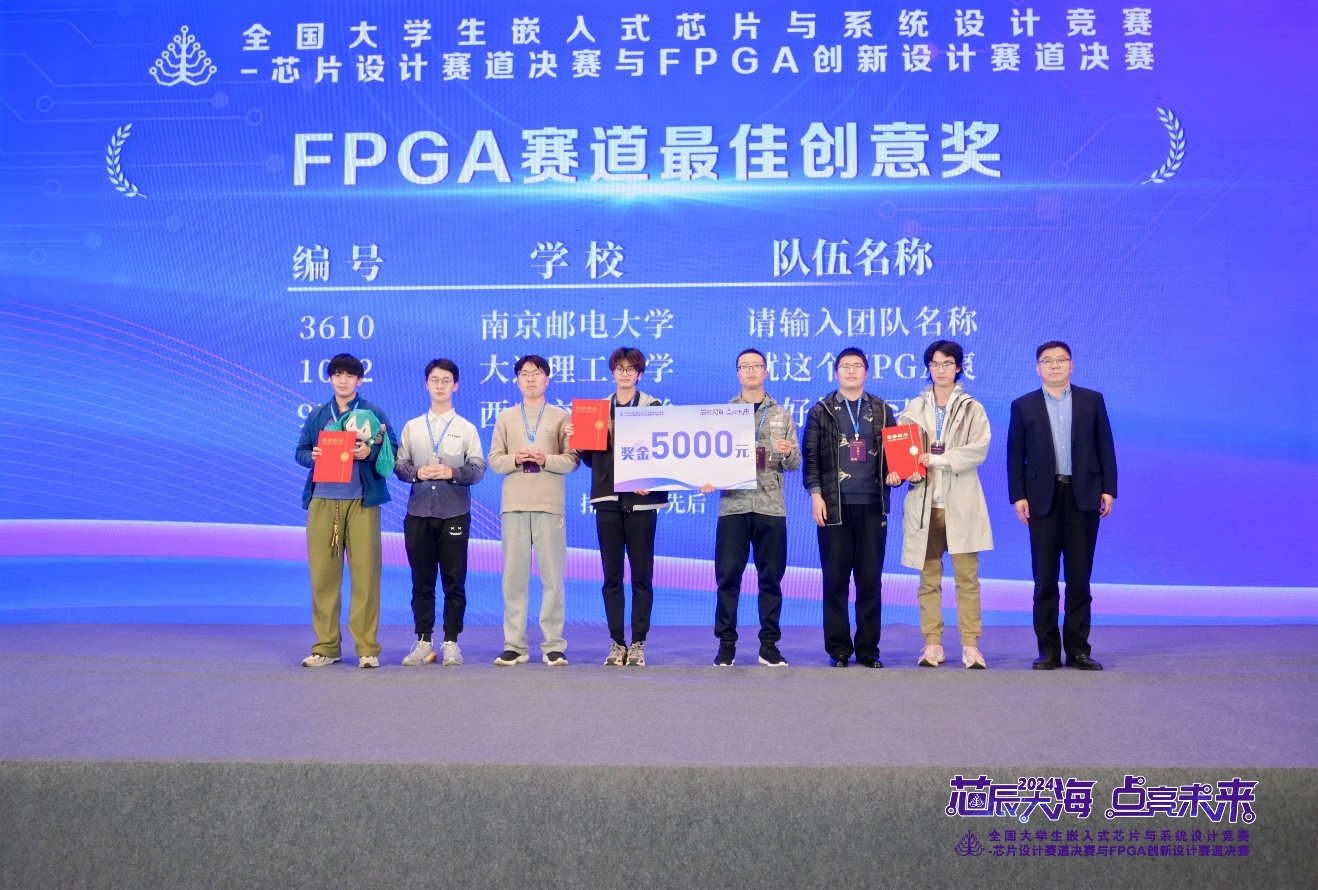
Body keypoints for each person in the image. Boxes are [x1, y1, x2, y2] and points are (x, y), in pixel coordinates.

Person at [1007, 341, 1117, 671]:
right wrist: (1018, 495)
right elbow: (1015, 454)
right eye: (1047, 361)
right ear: (1037, 368)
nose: (1054, 365)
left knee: (1079, 579)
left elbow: (1105, 446)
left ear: (1072, 365)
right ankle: (1048, 651)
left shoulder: (1092, 400)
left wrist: (1109, 489)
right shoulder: (1023, 405)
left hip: (1083, 495)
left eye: (1061, 360)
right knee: (1044, 579)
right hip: (1042, 498)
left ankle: (1079, 649)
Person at [294, 353, 396, 669]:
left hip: (362, 502)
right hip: (323, 500)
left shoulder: (373, 413)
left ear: (359, 380)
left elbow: (391, 448)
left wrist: (370, 451)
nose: (343, 380)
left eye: (349, 375)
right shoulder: (318, 415)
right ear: (330, 379)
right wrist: (312, 456)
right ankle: (326, 647)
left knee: (366, 575)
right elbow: (300, 452)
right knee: (323, 576)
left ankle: (367, 648)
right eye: (337, 374)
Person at [802, 348, 899, 668]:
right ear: (836, 373)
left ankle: (869, 649)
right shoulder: (821, 411)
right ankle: (839, 649)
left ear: (867, 372)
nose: (851, 371)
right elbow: (811, 458)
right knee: (835, 581)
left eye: (857, 366)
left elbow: (895, 457)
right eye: (845, 366)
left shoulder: (882, 409)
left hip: (872, 506)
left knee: (870, 581)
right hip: (834, 507)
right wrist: (816, 495)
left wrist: (896, 475)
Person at [898, 340, 993, 669]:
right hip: (925, 506)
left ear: (958, 367)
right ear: (928, 368)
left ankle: (971, 645)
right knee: (928, 579)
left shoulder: (972, 408)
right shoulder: (913, 408)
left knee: (967, 579)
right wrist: (901, 472)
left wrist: (941, 459)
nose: (941, 370)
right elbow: (902, 454)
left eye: (947, 363)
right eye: (935, 364)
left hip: (961, 505)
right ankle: (932, 643)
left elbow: (978, 450)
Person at [573, 347, 668, 667]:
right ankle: (617, 643)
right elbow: (590, 460)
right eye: (620, 368)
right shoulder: (596, 409)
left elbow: (664, 453)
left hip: (642, 503)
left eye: (631, 369)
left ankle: (638, 643)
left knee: (642, 576)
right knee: (611, 576)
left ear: (640, 374)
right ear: (612, 372)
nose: (625, 373)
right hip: (608, 500)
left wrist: (647, 478)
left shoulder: (653, 407)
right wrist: (580, 439)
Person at [705, 348, 801, 667]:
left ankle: (769, 645)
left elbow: (795, 464)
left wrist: (787, 453)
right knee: (727, 577)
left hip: (771, 507)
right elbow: (710, 458)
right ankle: (726, 644)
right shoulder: (723, 413)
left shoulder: (782, 414)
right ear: (737, 373)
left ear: (766, 371)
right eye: (744, 366)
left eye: (756, 365)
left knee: (771, 578)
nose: (750, 371)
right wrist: (705, 477)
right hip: (733, 505)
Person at [394, 359, 486, 667]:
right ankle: (423, 641)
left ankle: (451, 642)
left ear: (455, 385)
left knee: (453, 580)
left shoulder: (466, 428)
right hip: (418, 512)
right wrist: (418, 472)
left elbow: (478, 469)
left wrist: (452, 472)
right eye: (435, 380)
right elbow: (399, 466)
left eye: (446, 380)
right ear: (426, 385)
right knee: (421, 581)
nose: (440, 385)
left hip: (454, 512)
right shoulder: (412, 427)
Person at [487, 355, 579, 666]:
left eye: (537, 373)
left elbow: (572, 460)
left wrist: (545, 460)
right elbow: (494, 460)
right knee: (513, 579)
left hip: (549, 506)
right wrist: (515, 458)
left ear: (547, 379)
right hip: (514, 506)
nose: (530, 379)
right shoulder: (506, 417)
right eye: (524, 374)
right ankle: (515, 645)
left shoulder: (562, 417)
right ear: (516, 380)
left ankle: (553, 645)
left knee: (553, 579)